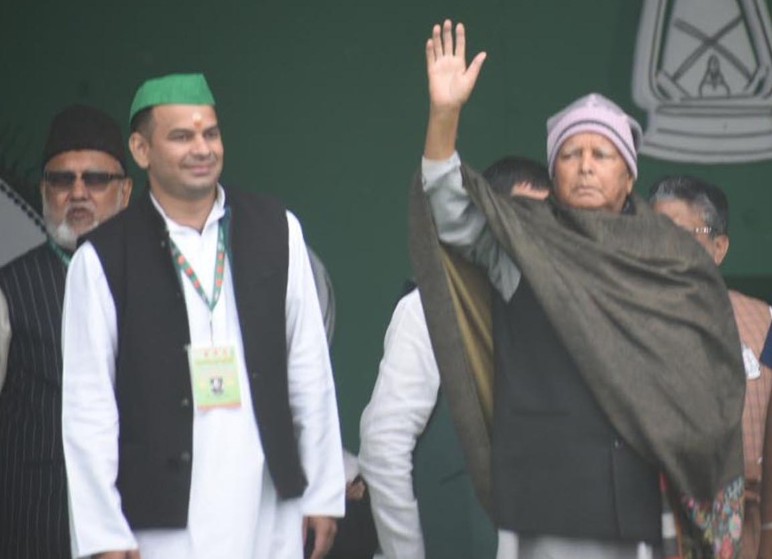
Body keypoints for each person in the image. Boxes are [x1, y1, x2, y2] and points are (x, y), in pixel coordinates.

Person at [411, 20, 745, 558]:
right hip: (545, 506)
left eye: (601, 154)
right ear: (553, 170)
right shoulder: (523, 239)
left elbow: (709, 376)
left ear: (629, 176)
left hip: (644, 505)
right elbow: (448, 208)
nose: (585, 166)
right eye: (570, 154)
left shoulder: (673, 258)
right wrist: (444, 114)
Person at [61, 73, 345, 559]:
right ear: (141, 150)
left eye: (210, 133)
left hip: (268, 509)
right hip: (159, 524)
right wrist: (103, 532)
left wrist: (323, 491)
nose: (202, 149)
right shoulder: (103, 257)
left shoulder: (276, 229)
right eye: (181, 136)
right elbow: (88, 406)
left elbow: (309, 367)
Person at [359, 156, 550, 559]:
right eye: (521, 217)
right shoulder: (431, 307)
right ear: (487, 223)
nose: (533, 233)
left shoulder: (558, 316)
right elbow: (383, 446)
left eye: (547, 222)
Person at [0, 104, 133, 559]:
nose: (78, 192)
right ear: (44, 191)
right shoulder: (10, 289)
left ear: (125, 192)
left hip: (141, 533)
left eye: (95, 179)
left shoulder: (161, 284)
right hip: (39, 527)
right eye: (62, 180)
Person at [649, 176, 772, 559]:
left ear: (719, 248)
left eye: (682, 234)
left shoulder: (765, 321)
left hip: (748, 531)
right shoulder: (626, 321)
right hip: (653, 525)